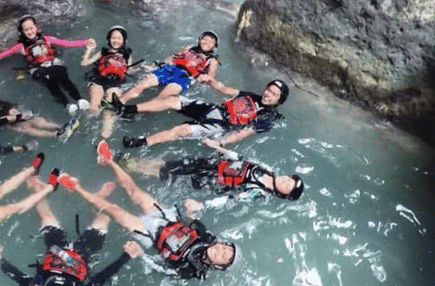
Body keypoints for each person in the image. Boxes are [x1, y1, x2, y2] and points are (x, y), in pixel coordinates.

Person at [58, 142, 237, 279]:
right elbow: (193, 221)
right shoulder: (208, 238)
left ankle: (75, 187)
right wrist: (192, 210)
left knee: (113, 210)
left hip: (149, 236)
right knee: (134, 191)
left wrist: (140, 254)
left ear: (220, 267)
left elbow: (160, 268)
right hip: (167, 219)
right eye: (224, 247)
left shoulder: (190, 270)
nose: (219, 250)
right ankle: (109, 160)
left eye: (223, 256)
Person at [0, 175, 143, 286]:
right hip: (82, 256)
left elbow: (19, 277)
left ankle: (38, 189)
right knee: (102, 222)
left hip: (56, 252)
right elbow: (101, 277)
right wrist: (126, 256)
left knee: (46, 217)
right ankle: (100, 198)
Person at [118, 140, 305, 206]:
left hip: (211, 180)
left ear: (282, 194)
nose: (286, 180)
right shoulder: (267, 168)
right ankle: (130, 163)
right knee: (170, 164)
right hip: (213, 164)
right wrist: (219, 148)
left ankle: (127, 166)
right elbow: (241, 158)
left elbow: (230, 200)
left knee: (170, 174)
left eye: (288, 186)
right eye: (290, 178)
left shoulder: (259, 193)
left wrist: (203, 205)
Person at [119, 78, 289, 149]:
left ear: (279, 101)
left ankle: (141, 142)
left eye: (274, 94)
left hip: (222, 126)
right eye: (269, 89)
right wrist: (210, 80)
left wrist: (220, 143)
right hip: (215, 109)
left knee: (182, 130)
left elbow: (242, 134)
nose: (268, 94)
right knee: (172, 100)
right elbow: (224, 89)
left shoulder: (267, 117)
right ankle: (129, 109)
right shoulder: (252, 96)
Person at [0, 15, 93, 113]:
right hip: (38, 69)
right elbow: (0, 55)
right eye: (26, 30)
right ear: (22, 32)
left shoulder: (47, 39)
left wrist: (85, 42)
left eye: (31, 28)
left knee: (63, 77)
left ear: (36, 28)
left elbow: (68, 43)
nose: (30, 31)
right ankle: (66, 104)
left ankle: (79, 99)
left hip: (53, 64)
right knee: (51, 84)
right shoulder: (20, 46)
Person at [116, 31, 220, 105]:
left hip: (185, 77)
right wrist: (155, 66)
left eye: (210, 41)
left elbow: (210, 76)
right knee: (144, 82)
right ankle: (121, 101)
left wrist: (204, 78)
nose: (206, 42)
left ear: (213, 47)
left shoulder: (212, 60)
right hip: (170, 69)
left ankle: (137, 112)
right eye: (204, 39)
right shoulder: (188, 48)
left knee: (162, 96)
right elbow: (173, 57)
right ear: (200, 40)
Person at [81, 26, 133, 138]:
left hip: (116, 82)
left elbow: (130, 70)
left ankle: (105, 137)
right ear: (108, 39)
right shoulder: (103, 52)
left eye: (119, 38)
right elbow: (84, 63)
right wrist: (89, 50)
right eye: (113, 38)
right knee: (94, 106)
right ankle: (82, 129)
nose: (116, 40)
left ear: (124, 40)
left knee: (109, 109)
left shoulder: (127, 55)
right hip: (99, 79)